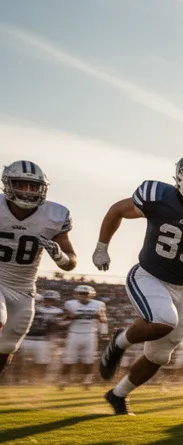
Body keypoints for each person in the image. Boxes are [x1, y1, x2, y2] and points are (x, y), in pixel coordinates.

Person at [94, 152, 183, 415]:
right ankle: (120, 341)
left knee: (160, 356)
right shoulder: (157, 196)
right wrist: (102, 247)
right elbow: (117, 209)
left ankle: (118, 394)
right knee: (163, 321)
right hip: (148, 276)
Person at [0, 160, 77, 378]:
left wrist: (58, 256)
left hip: (24, 288)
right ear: (8, 185)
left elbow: (71, 261)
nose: (27, 191)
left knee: (7, 347)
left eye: (33, 186)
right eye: (21, 184)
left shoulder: (56, 214)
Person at [61, 285, 107, 389]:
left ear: (91, 295)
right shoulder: (70, 304)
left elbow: (104, 320)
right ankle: (64, 380)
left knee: (89, 358)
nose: (83, 296)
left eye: (85, 294)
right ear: (76, 294)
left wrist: (102, 329)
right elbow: (64, 319)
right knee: (69, 358)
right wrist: (70, 317)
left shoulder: (99, 304)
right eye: (81, 293)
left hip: (90, 334)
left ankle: (87, 380)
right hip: (73, 333)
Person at [18, 290, 64, 384]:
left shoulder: (56, 312)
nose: (48, 302)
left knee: (42, 360)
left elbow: (56, 326)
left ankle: (36, 379)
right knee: (26, 361)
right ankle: (25, 378)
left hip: (43, 339)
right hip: (28, 337)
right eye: (47, 299)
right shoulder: (32, 310)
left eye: (51, 300)